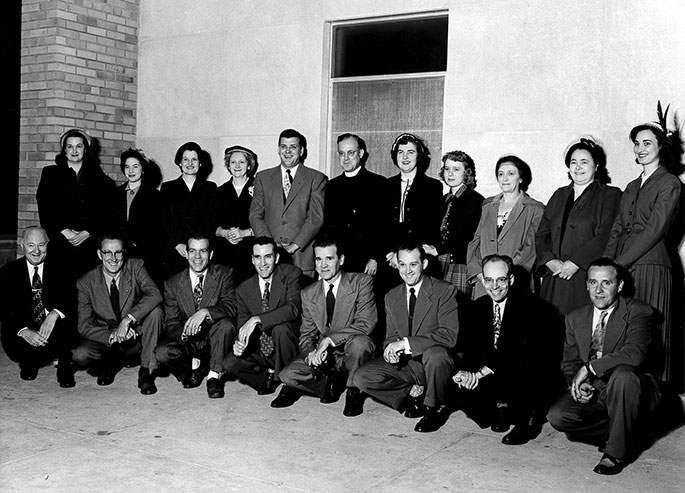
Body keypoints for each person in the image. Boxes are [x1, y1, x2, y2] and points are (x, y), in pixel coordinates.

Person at [547, 258, 662, 475]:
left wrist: (589, 368)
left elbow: (634, 353)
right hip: (599, 393)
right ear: (587, 285)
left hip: (633, 390)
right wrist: (577, 385)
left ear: (619, 286)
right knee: (558, 415)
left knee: (623, 374)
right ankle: (623, 434)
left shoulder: (638, 311)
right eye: (593, 283)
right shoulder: (574, 318)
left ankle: (615, 453)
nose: (598, 290)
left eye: (606, 283)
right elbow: (570, 362)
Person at [604, 104, 683, 384]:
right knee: (627, 333)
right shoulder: (630, 186)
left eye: (647, 143)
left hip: (652, 265)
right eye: (636, 144)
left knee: (651, 334)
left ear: (661, 147)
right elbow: (617, 229)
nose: (640, 148)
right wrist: (604, 266)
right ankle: (625, 392)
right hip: (623, 266)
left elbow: (654, 230)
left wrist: (619, 264)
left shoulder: (669, 183)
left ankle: (654, 398)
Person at [452, 255, 561, 445]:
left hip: (524, 373)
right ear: (482, 279)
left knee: (528, 374)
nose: (494, 286)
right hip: (493, 374)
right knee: (459, 390)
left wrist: (480, 373)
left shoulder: (535, 308)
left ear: (510, 279)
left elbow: (522, 354)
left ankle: (526, 421)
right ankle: (502, 410)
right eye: (488, 280)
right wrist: (466, 374)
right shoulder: (478, 307)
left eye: (501, 279)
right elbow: (471, 349)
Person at [353, 243, 459, 433]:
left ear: (424, 264)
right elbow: (391, 336)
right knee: (362, 377)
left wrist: (406, 343)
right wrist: (390, 351)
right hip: (410, 366)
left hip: (434, 365)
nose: (407, 271)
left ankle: (435, 407)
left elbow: (449, 335)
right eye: (402, 265)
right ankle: (412, 395)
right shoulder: (392, 296)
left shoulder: (444, 290)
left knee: (437, 355)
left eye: (413, 264)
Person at [273, 238, 376, 416]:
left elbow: (366, 323)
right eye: (319, 260)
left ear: (341, 260)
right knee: (287, 375)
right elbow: (306, 335)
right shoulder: (308, 293)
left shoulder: (361, 282)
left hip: (351, 352)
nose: (323, 265)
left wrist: (330, 340)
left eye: (329, 258)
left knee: (361, 344)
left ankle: (353, 390)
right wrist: (310, 354)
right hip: (326, 358)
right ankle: (330, 383)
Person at [536, 137, 621, 315]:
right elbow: (542, 234)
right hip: (555, 275)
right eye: (573, 162)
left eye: (584, 162)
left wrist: (576, 262)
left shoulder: (609, 195)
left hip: (585, 276)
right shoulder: (559, 195)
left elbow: (605, 234)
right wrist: (549, 260)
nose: (578, 167)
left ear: (596, 165)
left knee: (580, 330)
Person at [72, 233, 163, 395]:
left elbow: (154, 294)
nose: (113, 258)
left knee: (156, 312)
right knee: (80, 355)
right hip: (107, 339)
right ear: (99, 254)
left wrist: (128, 320)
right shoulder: (86, 282)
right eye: (107, 253)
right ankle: (109, 364)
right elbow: (84, 326)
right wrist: (113, 335)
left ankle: (146, 370)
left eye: (118, 252)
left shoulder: (136, 266)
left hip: (135, 337)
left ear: (124, 253)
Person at [155, 233, 236, 399]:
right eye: (192, 251)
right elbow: (171, 322)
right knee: (162, 353)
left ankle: (214, 375)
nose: (197, 257)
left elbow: (232, 306)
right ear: (186, 253)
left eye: (203, 251)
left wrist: (206, 312)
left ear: (211, 254)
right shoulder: (172, 284)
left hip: (215, 338)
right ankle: (193, 370)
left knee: (226, 324)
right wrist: (183, 333)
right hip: (190, 342)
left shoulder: (225, 274)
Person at [224, 237, 303, 395]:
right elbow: (242, 325)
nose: (263, 263)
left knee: (281, 329)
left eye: (268, 256)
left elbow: (292, 308)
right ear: (252, 260)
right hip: (262, 346)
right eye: (258, 257)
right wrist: (239, 343)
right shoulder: (243, 289)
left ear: (277, 257)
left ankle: (289, 382)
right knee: (229, 362)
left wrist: (257, 319)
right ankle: (269, 378)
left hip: (285, 343)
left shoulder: (292, 274)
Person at [0, 227, 77, 387]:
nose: (36, 251)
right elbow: (4, 309)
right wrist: (24, 331)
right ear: (22, 245)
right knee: (16, 344)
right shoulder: (8, 272)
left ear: (48, 245)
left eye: (41, 245)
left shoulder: (62, 268)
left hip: (54, 327)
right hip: (25, 327)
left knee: (70, 329)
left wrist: (54, 314)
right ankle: (28, 362)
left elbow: (72, 298)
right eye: (31, 245)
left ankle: (64, 366)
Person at [37, 128, 116, 280]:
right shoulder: (50, 174)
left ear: (85, 149)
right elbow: (45, 207)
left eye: (79, 146)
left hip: (89, 245)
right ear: (64, 150)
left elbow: (106, 212)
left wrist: (88, 231)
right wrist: (64, 230)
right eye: (70, 146)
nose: (74, 150)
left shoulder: (101, 180)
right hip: (60, 242)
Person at [249, 129, 327, 278]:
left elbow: (316, 218)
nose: (288, 151)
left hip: (301, 257)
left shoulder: (316, 178)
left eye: (293, 147)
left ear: (302, 150)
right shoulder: (262, 178)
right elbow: (255, 215)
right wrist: (269, 245)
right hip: (268, 258)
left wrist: (294, 246)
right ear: (278, 149)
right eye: (284, 146)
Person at [467, 154, 545, 299]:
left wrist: (503, 277)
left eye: (511, 174)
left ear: (521, 178)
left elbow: (530, 249)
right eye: (501, 174)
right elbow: (475, 243)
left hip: (515, 281)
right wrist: (482, 274)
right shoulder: (487, 206)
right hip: (485, 282)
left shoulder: (535, 209)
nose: (505, 178)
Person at [423, 150, 484, 301]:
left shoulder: (474, 200)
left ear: (467, 174)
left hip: (459, 265)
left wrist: (437, 249)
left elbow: (466, 235)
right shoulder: (444, 199)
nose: (450, 173)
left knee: (458, 308)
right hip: (439, 263)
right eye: (447, 169)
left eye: (456, 169)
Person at [323, 133, 387, 275]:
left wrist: (375, 257)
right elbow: (328, 226)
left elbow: (383, 226)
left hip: (367, 262)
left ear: (361, 153)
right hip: (339, 260)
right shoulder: (332, 186)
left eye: (351, 153)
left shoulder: (378, 184)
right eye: (341, 153)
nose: (346, 158)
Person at [384, 133, 442, 272]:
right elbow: (380, 225)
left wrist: (407, 256)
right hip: (390, 260)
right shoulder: (386, 186)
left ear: (418, 156)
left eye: (410, 152)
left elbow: (431, 226)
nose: (405, 157)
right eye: (400, 152)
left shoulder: (432, 187)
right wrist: (390, 254)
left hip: (419, 260)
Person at [160, 141, 218, 277]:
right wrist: (178, 244)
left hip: (201, 252)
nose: (189, 163)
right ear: (179, 163)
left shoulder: (210, 188)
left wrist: (199, 248)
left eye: (194, 159)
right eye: (185, 159)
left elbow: (212, 220)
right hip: (176, 251)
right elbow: (165, 220)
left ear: (200, 163)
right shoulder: (168, 188)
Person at [111, 148, 164, 287]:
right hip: (118, 255)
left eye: (136, 166)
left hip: (145, 257)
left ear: (143, 169)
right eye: (127, 167)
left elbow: (156, 230)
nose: (131, 171)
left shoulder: (155, 196)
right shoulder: (115, 194)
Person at [215, 145, 258, 284]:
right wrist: (225, 233)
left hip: (251, 252)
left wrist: (244, 233)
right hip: (225, 254)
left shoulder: (260, 189)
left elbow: (268, 220)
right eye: (233, 162)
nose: (237, 166)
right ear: (228, 165)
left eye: (242, 162)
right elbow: (210, 223)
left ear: (249, 165)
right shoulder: (219, 192)